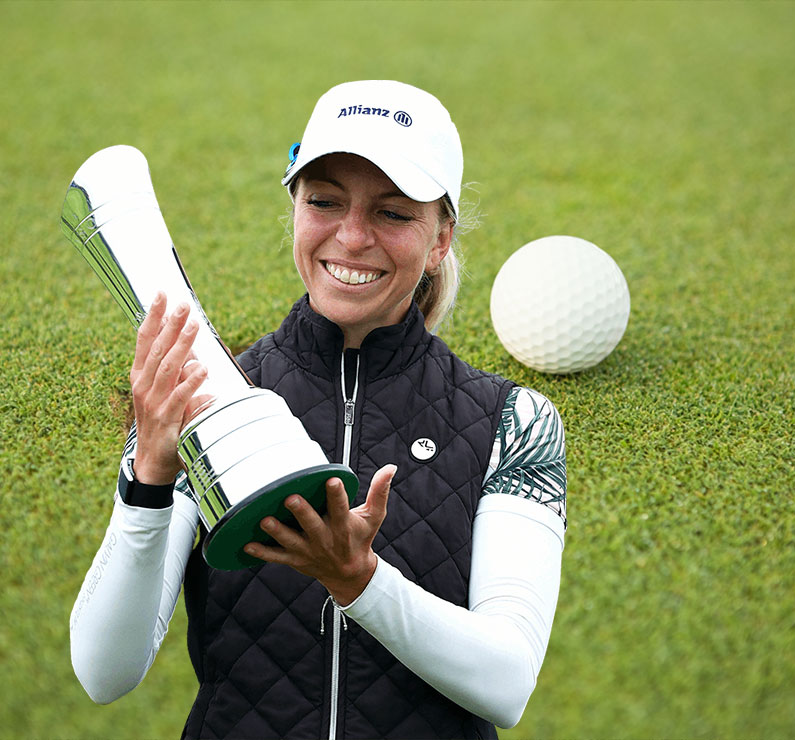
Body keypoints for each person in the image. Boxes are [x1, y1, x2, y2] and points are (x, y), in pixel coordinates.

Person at [69, 80, 567, 740]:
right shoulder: (198, 402)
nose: (351, 236)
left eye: (392, 213)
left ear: (442, 237)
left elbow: (506, 683)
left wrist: (359, 582)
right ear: (295, 207)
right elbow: (105, 671)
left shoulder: (515, 421)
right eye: (325, 201)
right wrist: (149, 481)